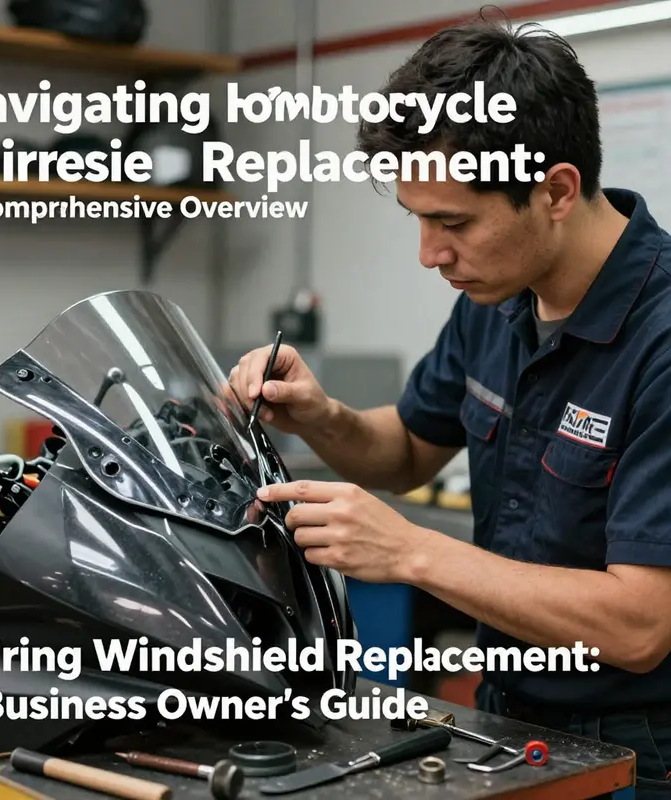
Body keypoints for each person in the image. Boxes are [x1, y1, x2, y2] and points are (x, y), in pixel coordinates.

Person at [228, 14, 671, 798]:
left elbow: (641, 625)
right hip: (507, 718)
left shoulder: (660, 341)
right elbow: (404, 450)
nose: (430, 254)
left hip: (642, 752)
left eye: (454, 222)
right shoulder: (495, 297)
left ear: (556, 190)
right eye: (419, 219)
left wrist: (408, 553)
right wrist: (321, 416)